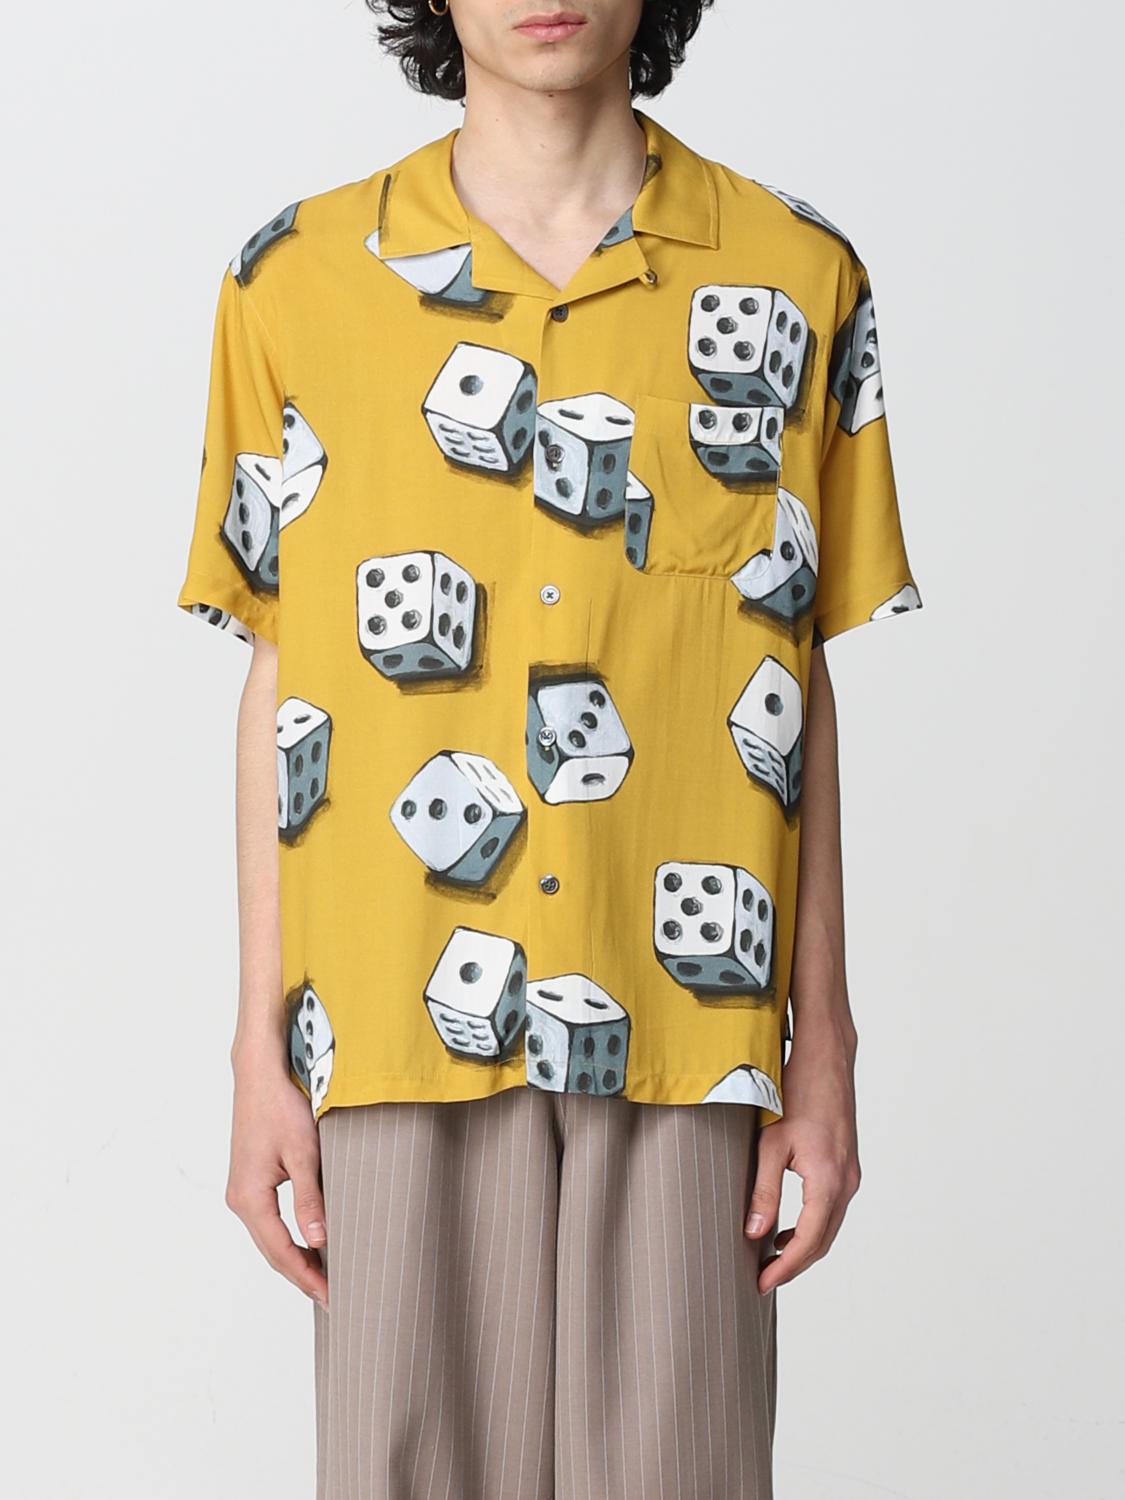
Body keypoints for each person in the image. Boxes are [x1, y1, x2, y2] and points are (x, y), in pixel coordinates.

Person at [177, 2, 924, 1494]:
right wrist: (257, 1049)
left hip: (693, 1032)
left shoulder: (796, 274)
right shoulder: (294, 279)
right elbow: (282, 675)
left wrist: (824, 1048)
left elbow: (798, 682)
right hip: (392, 1015)